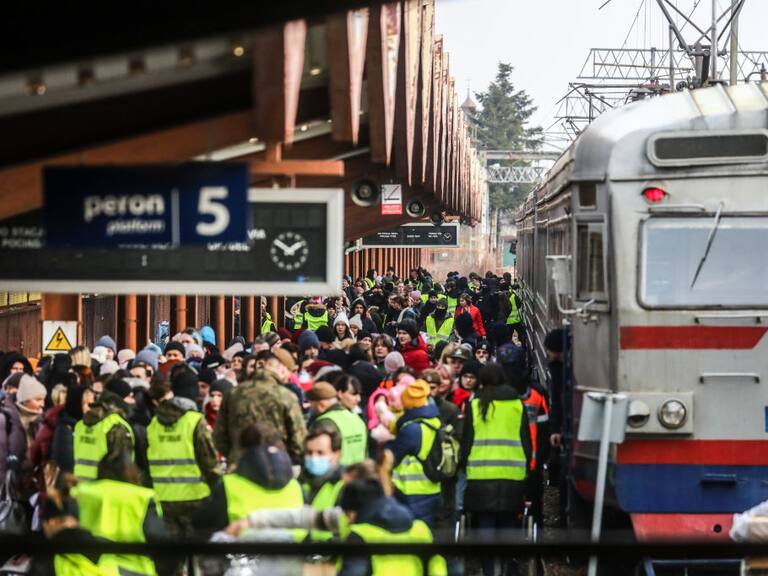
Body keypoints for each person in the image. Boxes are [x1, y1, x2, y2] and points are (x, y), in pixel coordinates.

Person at [461, 363, 531, 576]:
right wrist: (525, 467)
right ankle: (510, 566)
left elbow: (467, 443)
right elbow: (526, 442)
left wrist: (465, 466)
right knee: (509, 523)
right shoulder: (517, 404)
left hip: (481, 475)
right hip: (512, 474)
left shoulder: (474, 405)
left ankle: (490, 570)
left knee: (485, 526)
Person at [194, 424, 306, 538]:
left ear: (243, 451)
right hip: (292, 553)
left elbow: (201, 523)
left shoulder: (229, 486)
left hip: (243, 552)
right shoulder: (296, 487)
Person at [146, 364, 220, 538]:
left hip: (162, 498)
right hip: (194, 497)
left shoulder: (155, 422)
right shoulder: (195, 420)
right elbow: (208, 461)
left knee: (171, 556)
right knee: (195, 554)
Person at [73, 452, 168, 576]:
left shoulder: (78, 493)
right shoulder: (142, 498)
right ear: (131, 472)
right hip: (134, 572)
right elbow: (161, 544)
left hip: (85, 570)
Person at [338, 476, 447, 576]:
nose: (348, 520)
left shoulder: (360, 535)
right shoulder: (420, 529)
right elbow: (438, 570)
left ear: (357, 511)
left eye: (348, 514)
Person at [214, 353, 307, 465]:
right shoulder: (286, 396)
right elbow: (298, 440)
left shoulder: (233, 393)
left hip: (239, 466)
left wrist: (235, 455)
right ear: (281, 369)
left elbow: (219, 436)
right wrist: (286, 460)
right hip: (276, 466)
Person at [388, 379, 441, 528]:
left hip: (412, 490)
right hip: (431, 486)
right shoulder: (434, 421)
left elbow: (393, 456)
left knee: (414, 535)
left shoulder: (412, 429)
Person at [73, 381, 134, 480]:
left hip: (81, 488)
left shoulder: (81, 424)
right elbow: (122, 464)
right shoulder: (116, 425)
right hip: (107, 488)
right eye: (130, 397)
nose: (133, 401)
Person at [301, 428, 346, 541]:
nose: (313, 458)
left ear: (337, 455)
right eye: (309, 452)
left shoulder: (345, 487)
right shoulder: (299, 483)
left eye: (320, 453)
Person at [308, 382, 367, 465]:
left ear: (321, 405)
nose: (312, 409)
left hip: (333, 476)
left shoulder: (323, 423)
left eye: (312, 406)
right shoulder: (357, 419)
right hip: (358, 474)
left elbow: (316, 456)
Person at [52, 385, 95, 474]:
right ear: (76, 404)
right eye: (86, 404)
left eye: (92, 404)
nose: (90, 408)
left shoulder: (90, 425)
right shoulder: (65, 428)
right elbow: (67, 462)